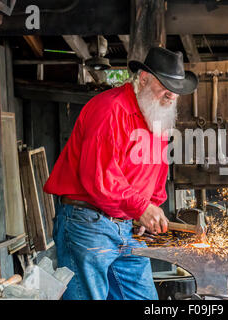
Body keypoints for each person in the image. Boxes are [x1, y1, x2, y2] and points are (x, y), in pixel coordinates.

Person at [43, 47, 198, 300]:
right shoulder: (110, 109)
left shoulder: (158, 118)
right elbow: (100, 176)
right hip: (88, 224)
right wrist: (141, 208)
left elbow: (157, 173)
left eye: (177, 90)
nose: (171, 95)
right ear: (144, 79)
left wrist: (148, 210)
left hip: (127, 225)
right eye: (165, 86)